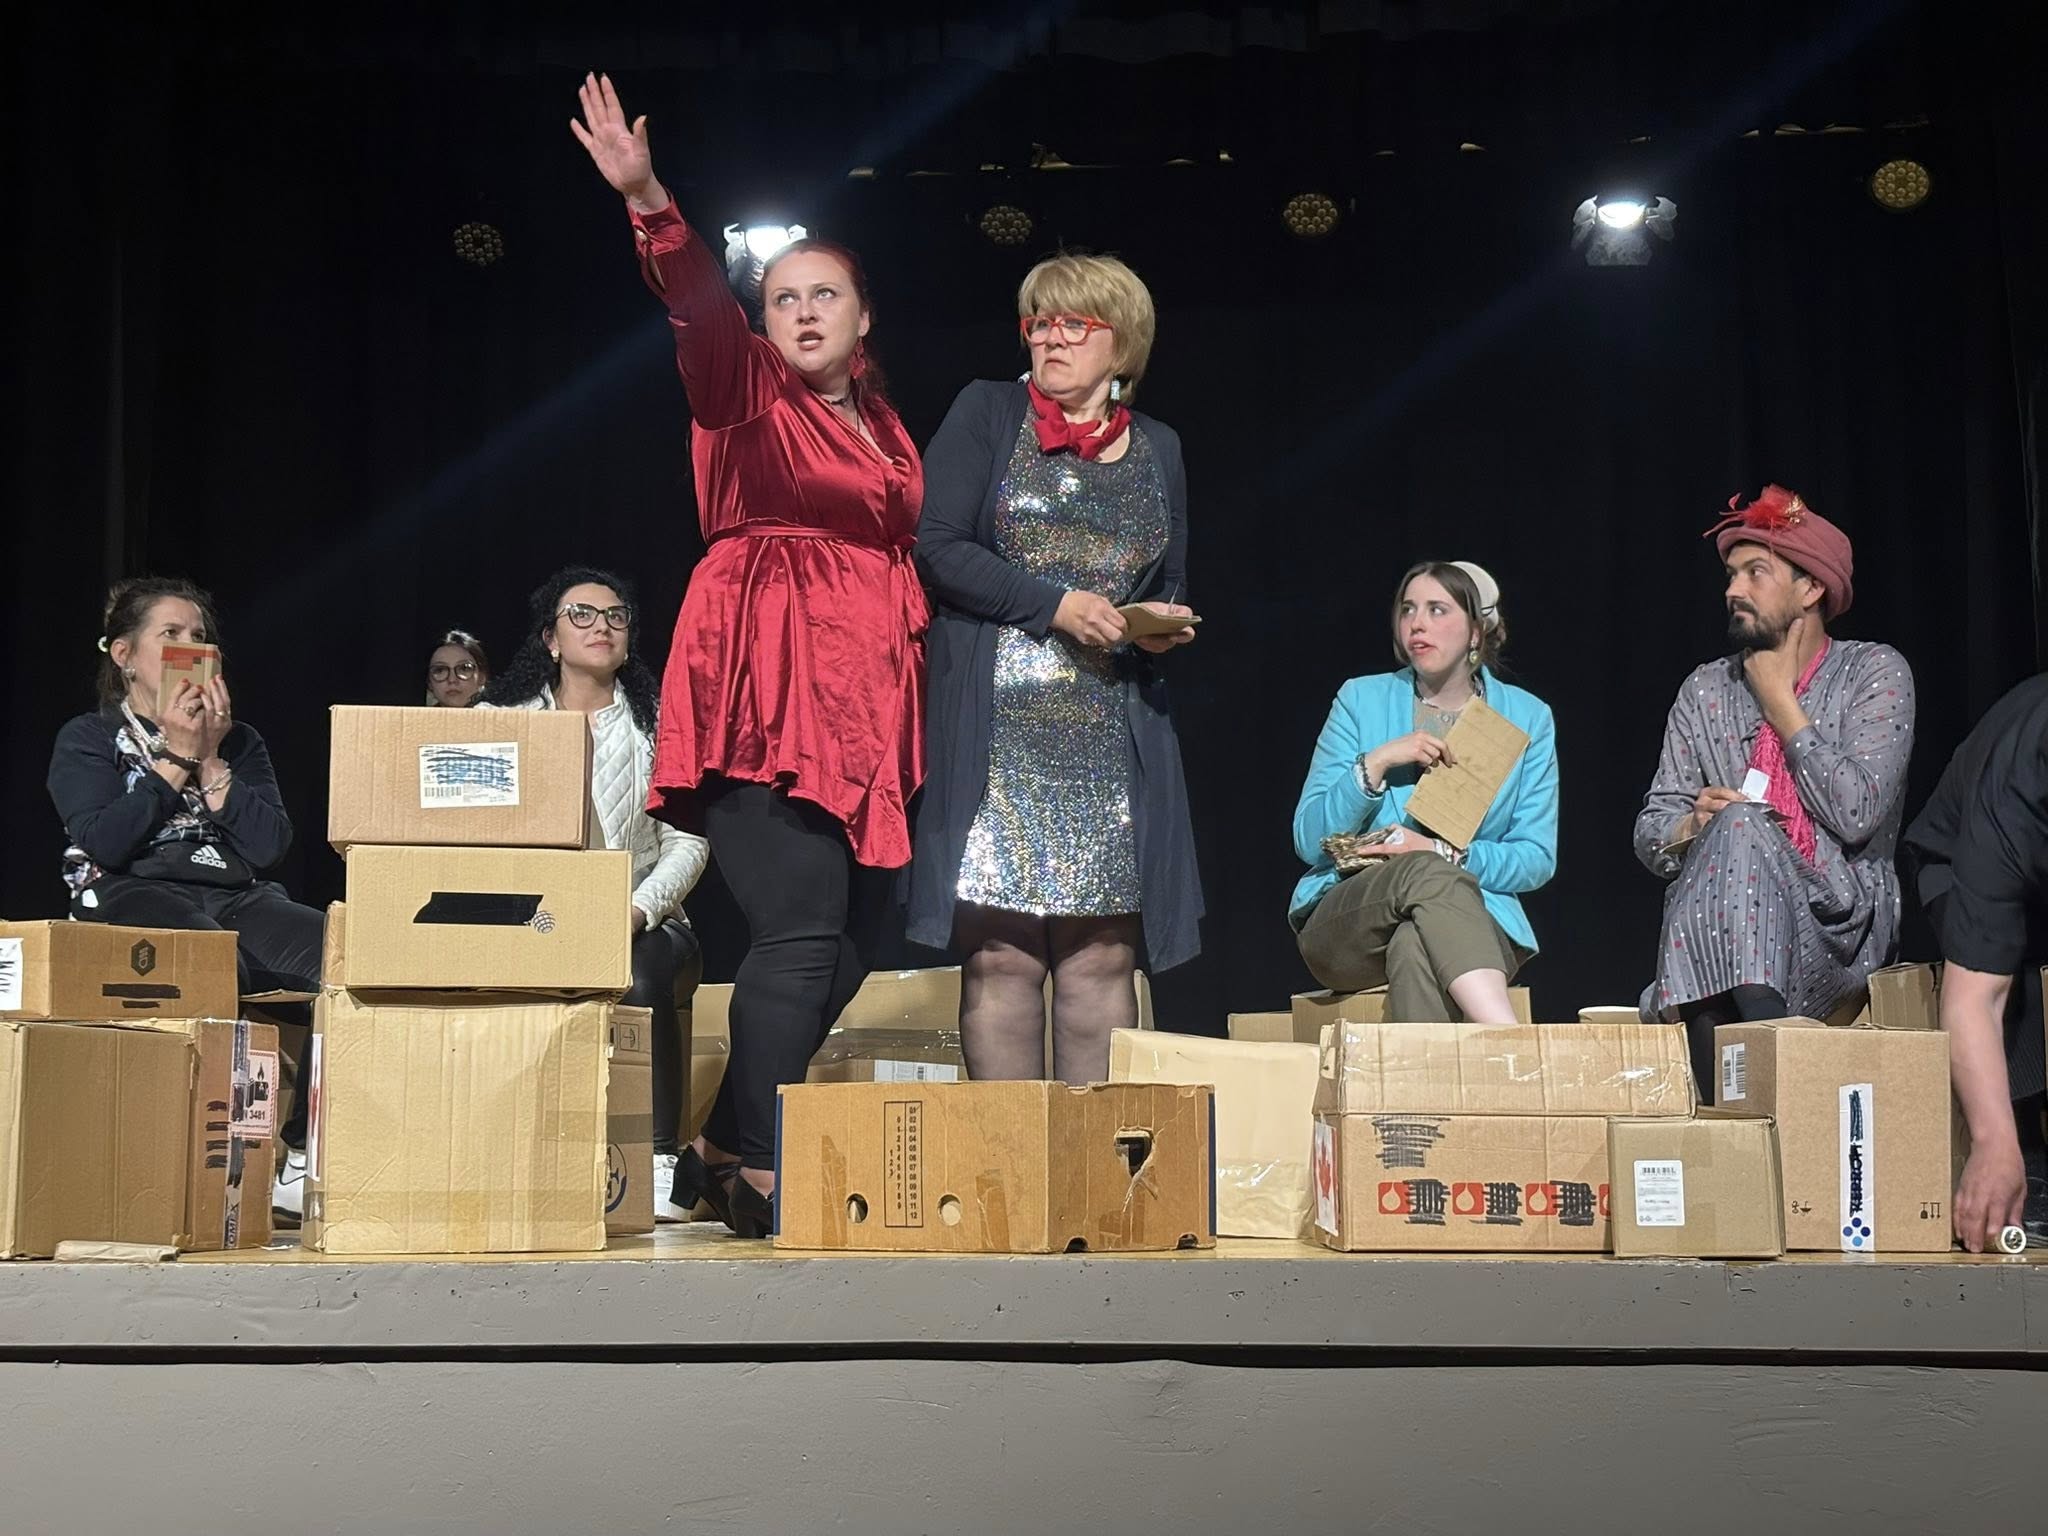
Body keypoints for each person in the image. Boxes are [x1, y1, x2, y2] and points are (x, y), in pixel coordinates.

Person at [571, 74, 926, 1235]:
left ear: (863, 317)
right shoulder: (744, 390)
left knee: (853, 945)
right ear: (763, 321)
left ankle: (718, 1141)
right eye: (783, 298)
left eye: (826, 295)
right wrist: (649, 202)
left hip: (863, 705)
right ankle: (762, 1160)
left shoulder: (882, 425)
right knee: (800, 930)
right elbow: (694, 309)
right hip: (764, 683)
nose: (804, 313)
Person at [909, 253, 1201, 1085]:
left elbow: (1169, 580)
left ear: (1123, 342)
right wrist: (1056, 605)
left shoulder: (1160, 447)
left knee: (1102, 955)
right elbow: (937, 546)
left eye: (1074, 323)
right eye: (1038, 322)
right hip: (999, 723)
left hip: (1110, 725)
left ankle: (1089, 1159)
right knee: (1001, 954)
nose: (1050, 338)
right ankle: (1010, 1159)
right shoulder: (988, 410)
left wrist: (1159, 627)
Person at [46, 576, 325, 1217]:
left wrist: (213, 758)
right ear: (125, 656)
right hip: (126, 891)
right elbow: (106, 841)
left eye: (199, 636)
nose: (190, 647)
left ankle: (299, 1156)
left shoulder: (239, 740)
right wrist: (175, 755)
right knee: (209, 959)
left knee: (347, 955)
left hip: (234, 895)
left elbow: (269, 846)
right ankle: (216, 1165)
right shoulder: (88, 737)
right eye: (170, 634)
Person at [1634, 486, 1916, 1101]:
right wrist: (1691, 827)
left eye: (1755, 573)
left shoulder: (1874, 673)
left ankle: (1737, 1082)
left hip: (1835, 931)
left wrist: (1782, 705)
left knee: (1742, 828)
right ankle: (1754, 1066)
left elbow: (1858, 811)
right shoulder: (1705, 690)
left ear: (1810, 588)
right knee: (1731, 828)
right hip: (1715, 929)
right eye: (1731, 575)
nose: (1733, 589)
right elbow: (1652, 830)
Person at [479, 567, 707, 1222]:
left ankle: (656, 1156)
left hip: (643, 920)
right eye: (581, 614)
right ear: (550, 639)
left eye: (615, 615)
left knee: (639, 964)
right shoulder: (501, 722)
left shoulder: (659, 728)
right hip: (534, 916)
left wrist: (638, 908)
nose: (601, 625)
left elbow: (689, 842)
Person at [1290, 562, 1557, 1022]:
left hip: (1475, 921)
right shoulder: (1360, 700)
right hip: (1353, 920)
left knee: (1415, 944)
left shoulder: (1527, 717)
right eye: (1408, 609)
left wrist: (1444, 853)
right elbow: (1308, 840)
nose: (1417, 623)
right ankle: (1508, 1035)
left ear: (1476, 632)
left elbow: (1536, 857)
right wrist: (1376, 763)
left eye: (1437, 610)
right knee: (1422, 870)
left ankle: (1442, 1072)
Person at [1900, 672, 2048, 1251]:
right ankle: (2026, 1156)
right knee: (2016, 982)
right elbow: (1975, 996)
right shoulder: (2019, 781)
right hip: (1957, 859)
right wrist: (1994, 1144)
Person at [425, 630, 490, 706]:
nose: (452, 680)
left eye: (464, 668)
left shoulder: (498, 713)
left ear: (482, 677)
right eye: (440, 670)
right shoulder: (415, 714)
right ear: (429, 682)